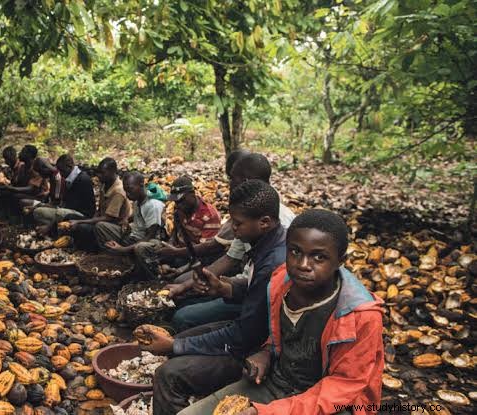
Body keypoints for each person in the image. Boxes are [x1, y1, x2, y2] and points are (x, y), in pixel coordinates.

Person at [179, 209, 384, 415]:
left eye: (319, 257)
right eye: (295, 252)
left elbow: (344, 384)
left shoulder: (360, 316)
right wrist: (267, 352)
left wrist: (268, 412)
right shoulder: (280, 281)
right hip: (278, 383)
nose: (303, 265)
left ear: (340, 260)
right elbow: (281, 331)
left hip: (331, 402)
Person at [142, 179, 287, 415]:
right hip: (253, 333)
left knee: (168, 373)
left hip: (260, 351)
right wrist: (225, 289)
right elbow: (257, 294)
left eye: (238, 223)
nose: (233, 228)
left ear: (264, 223)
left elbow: (243, 335)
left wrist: (176, 345)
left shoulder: (273, 262)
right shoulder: (266, 243)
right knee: (185, 333)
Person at [166, 152, 297, 331]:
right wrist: (185, 286)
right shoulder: (248, 214)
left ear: (245, 181)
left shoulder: (275, 224)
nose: (229, 185)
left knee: (184, 317)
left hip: (256, 303)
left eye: (231, 179)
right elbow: (230, 258)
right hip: (243, 286)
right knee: (184, 300)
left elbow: (258, 300)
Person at [100, 171, 166, 279]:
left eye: (130, 190)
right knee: (102, 227)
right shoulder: (137, 200)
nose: (127, 194)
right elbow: (135, 216)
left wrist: (122, 249)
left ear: (141, 185)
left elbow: (150, 236)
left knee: (140, 247)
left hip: (153, 242)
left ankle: (151, 277)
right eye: (125, 191)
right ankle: (121, 265)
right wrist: (126, 221)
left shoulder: (152, 205)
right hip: (136, 235)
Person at [68, 157, 131, 252]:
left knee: (82, 227)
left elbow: (108, 218)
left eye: (102, 173)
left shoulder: (118, 191)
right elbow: (99, 211)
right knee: (70, 217)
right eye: (98, 172)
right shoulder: (105, 184)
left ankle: (93, 251)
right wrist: (86, 220)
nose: (98, 175)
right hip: (102, 220)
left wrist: (80, 222)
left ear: (112, 171)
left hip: (113, 226)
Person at [158, 175, 221, 268]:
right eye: (176, 202)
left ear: (192, 194)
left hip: (196, 256)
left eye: (181, 200)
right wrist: (170, 244)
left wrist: (175, 253)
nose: (178, 205)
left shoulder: (209, 215)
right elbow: (176, 231)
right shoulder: (180, 209)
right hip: (178, 250)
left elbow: (206, 250)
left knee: (178, 266)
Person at [33, 154, 96, 234]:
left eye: (62, 171)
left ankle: (51, 230)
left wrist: (49, 225)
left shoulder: (83, 179)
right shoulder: (70, 178)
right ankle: (53, 230)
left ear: (69, 167)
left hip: (82, 215)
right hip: (70, 210)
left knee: (60, 212)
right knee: (38, 212)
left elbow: (71, 206)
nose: (61, 174)